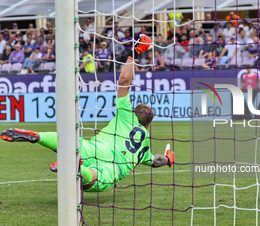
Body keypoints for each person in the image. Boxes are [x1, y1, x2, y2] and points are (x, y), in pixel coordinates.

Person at [1, 34, 175, 193]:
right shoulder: (144, 147)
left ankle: (39, 137)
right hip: (114, 165)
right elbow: (155, 161)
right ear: (149, 124)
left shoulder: (126, 115)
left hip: (96, 147)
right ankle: (75, 168)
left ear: (134, 112)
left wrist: (134, 54)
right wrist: (167, 159)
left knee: (68, 144)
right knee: (95, 180)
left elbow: (123, 81)